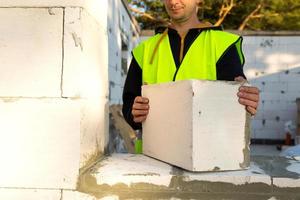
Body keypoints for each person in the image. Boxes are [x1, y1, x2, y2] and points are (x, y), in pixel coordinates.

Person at [122, 0, 259, 130]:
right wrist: (134, 114)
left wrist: (246, 99)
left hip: (207, 152)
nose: (173, 2)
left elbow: (235, 102)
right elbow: (129, 104)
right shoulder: (145, 50)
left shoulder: (223, 44)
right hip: (154, 153)